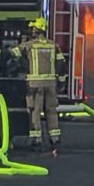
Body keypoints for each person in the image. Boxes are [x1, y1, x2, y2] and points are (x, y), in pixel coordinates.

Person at [15, 17, 61, 153]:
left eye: (33, 28)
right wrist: (58, 78)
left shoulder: (29, 45)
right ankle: (55, 139)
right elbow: (60, 63)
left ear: (36, 30)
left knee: (35, 111)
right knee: (51, 111)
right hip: (51, 84)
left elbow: (13, 54)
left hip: (35, 85)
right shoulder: (53, 45)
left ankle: (37, 140)